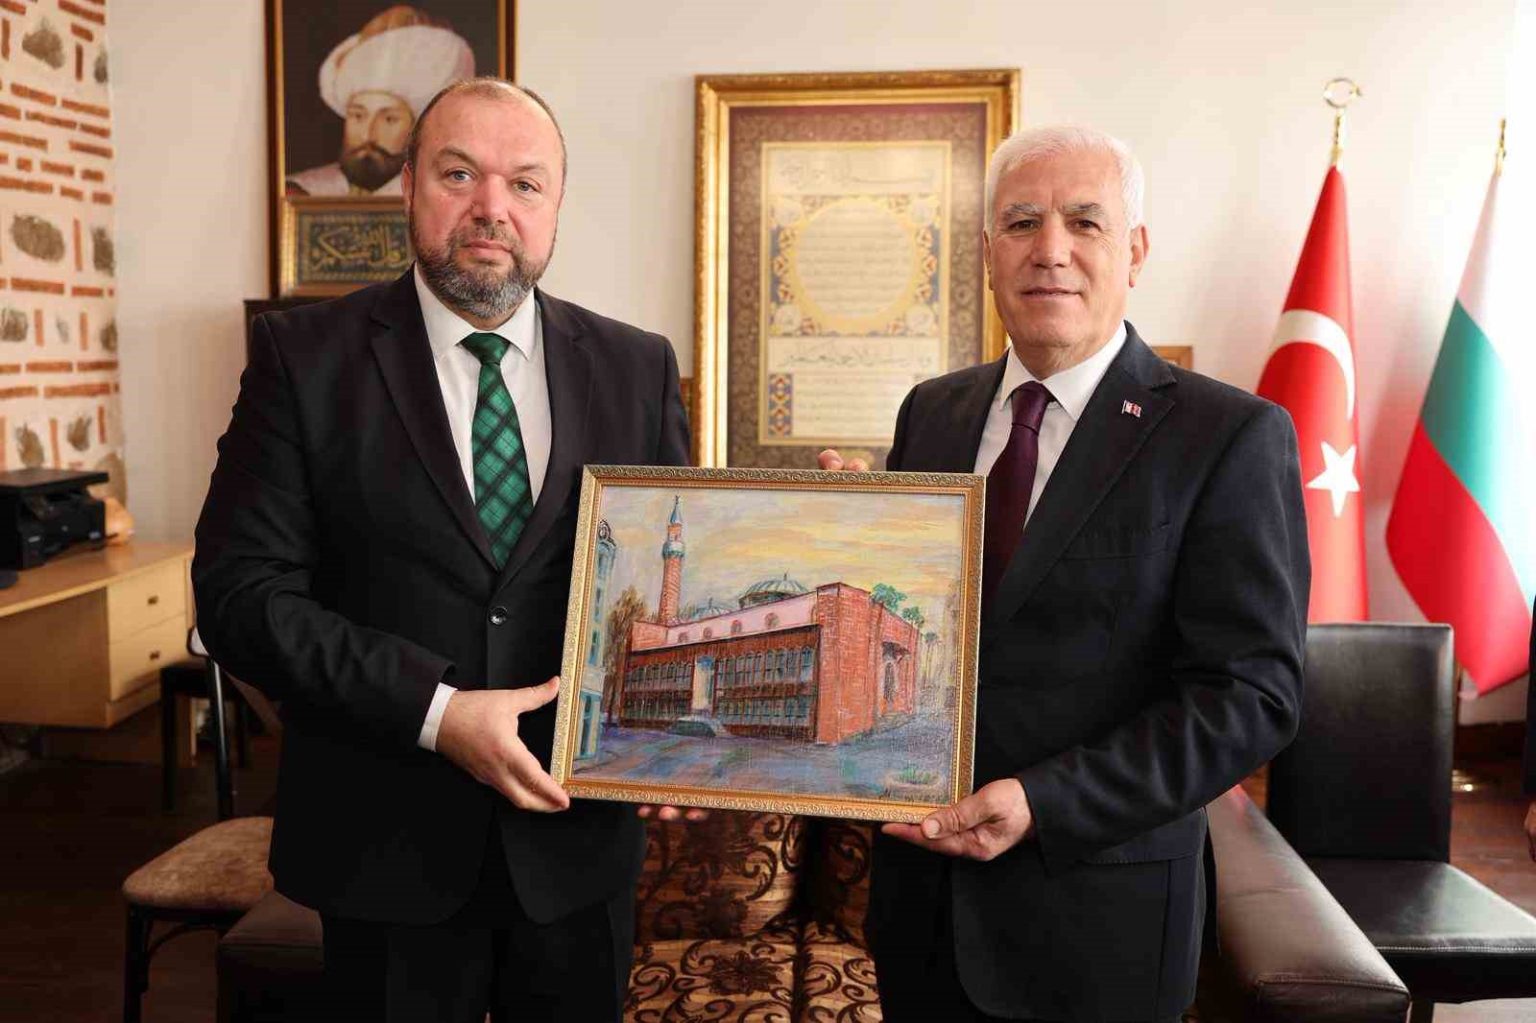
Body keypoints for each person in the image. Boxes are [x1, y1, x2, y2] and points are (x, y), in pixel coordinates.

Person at [195, 78, 693, 1020]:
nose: (491, 207)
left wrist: (668, 743)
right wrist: (436, 710)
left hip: (577, 847)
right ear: (410, 187)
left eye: (525, 183)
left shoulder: (639, 365)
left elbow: (677, 570)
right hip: (385, 852)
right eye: (459, 174)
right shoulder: (302, 359)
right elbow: (238, 596)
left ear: (556, 205)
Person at [820, 124, 1310, 1022]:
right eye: (1021, 223)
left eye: (1085, 221)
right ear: (988, 253)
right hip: (921, 916)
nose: (1050, 250)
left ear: (1136, 251)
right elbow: (927, 631)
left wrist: (1045, 802)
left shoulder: (1229, 436)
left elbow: (1252, 697)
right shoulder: (931, 414)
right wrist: (844, 542)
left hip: (1097, 925)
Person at [285, 5, 474, 197]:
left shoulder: (441, 195)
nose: (368, 135)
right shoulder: (300, 192)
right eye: (358, 115)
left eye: (389, 119)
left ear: (418, 128)